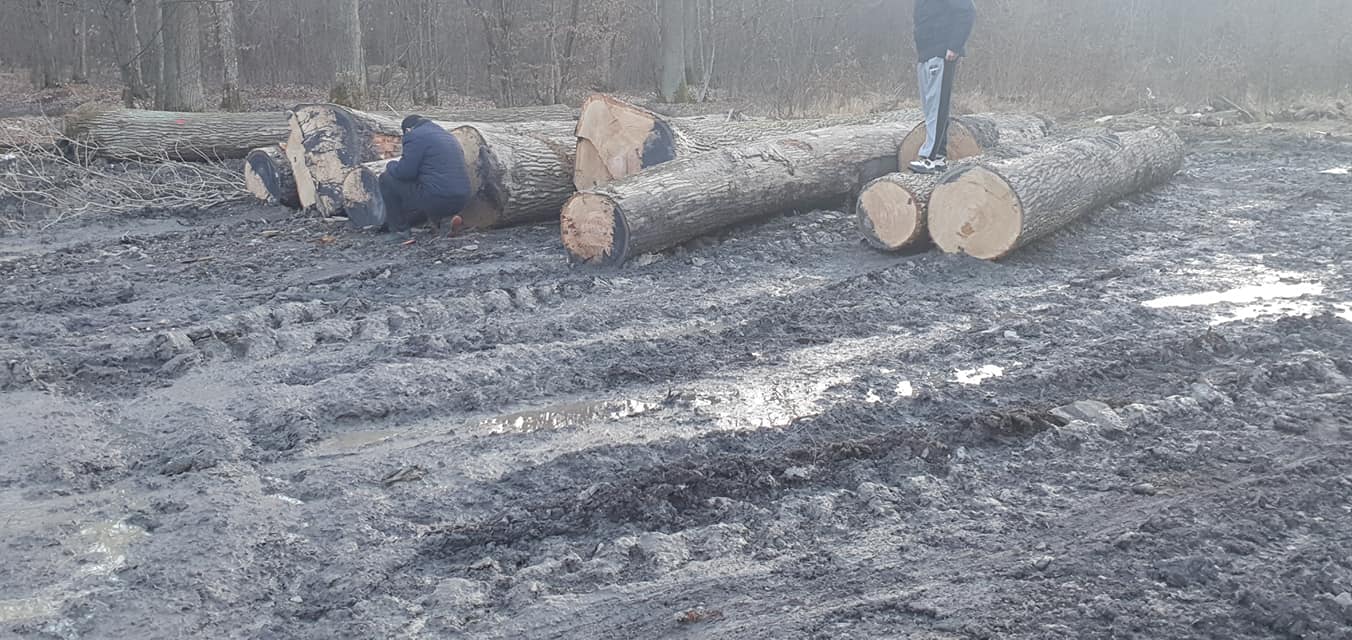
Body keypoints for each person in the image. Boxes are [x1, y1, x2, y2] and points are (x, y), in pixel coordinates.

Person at [909, 0, 976, 174]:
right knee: (930, 106)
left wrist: (954, 45)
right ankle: (938, 156)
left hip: (941, 53)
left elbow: (967, 11)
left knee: (937, 106)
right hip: (925, 53)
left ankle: (929, 158)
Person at [379, 115, 471, 242]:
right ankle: (446, 221)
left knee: (386, 179)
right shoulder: (447, 135)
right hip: (462, 199)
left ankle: (400, 231)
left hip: (437, 198)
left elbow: (405, 173)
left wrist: (390, 165)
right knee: (432, 181)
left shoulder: (414, 136)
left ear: (408, 130)